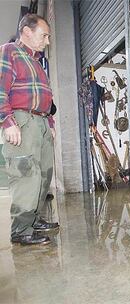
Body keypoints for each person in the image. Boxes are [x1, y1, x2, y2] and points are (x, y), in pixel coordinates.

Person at [0, 14, 59, 246]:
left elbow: (47, 98)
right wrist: (8, 121)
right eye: (44, 35)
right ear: (26, 31)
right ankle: (21, 229)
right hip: (22, 120)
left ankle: (34, 220)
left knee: (44, 175)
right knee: (26, 175)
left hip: (42, 122)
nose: (47, 41)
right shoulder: (9, 51)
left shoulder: (36, 62)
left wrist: (50, 124)